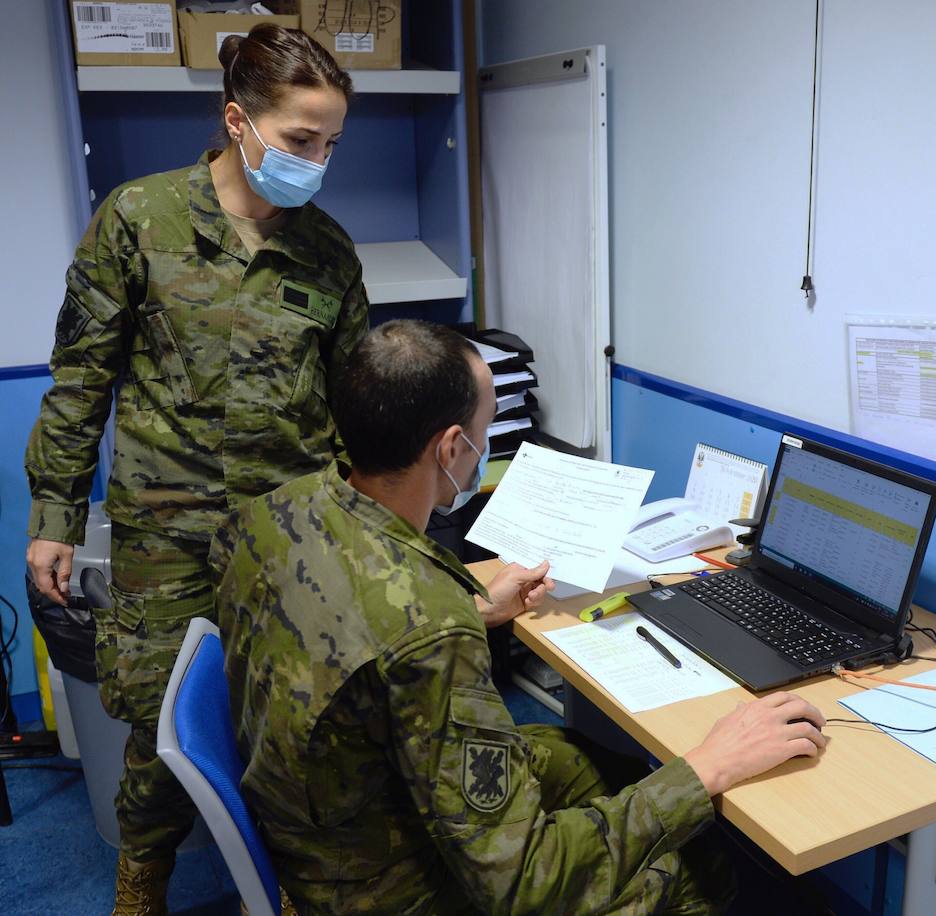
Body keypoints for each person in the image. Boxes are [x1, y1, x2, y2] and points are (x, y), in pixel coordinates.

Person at [211, 320, 830, 914]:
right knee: (693, 869)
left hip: (319, 815)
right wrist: (709, 764)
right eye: (485, 430)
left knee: (590, 762)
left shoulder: (273, 513)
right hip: (385, 887)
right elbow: (521, 883)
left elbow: (344, 638)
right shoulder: (429, 631)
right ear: (453, 448)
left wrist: (477, 609)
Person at [24, 25, 368, 914]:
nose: (316, 160)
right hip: (166, 534)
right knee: (157, 726)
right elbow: (80, 381)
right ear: (237, 119)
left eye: (330, 143)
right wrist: (54, 519)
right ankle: (143, 876)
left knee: (297, 720)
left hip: (289, 534)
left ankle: (296, 879)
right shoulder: (141, 220)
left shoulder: (327, 250)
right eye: (300, 140)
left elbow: (354, 408)